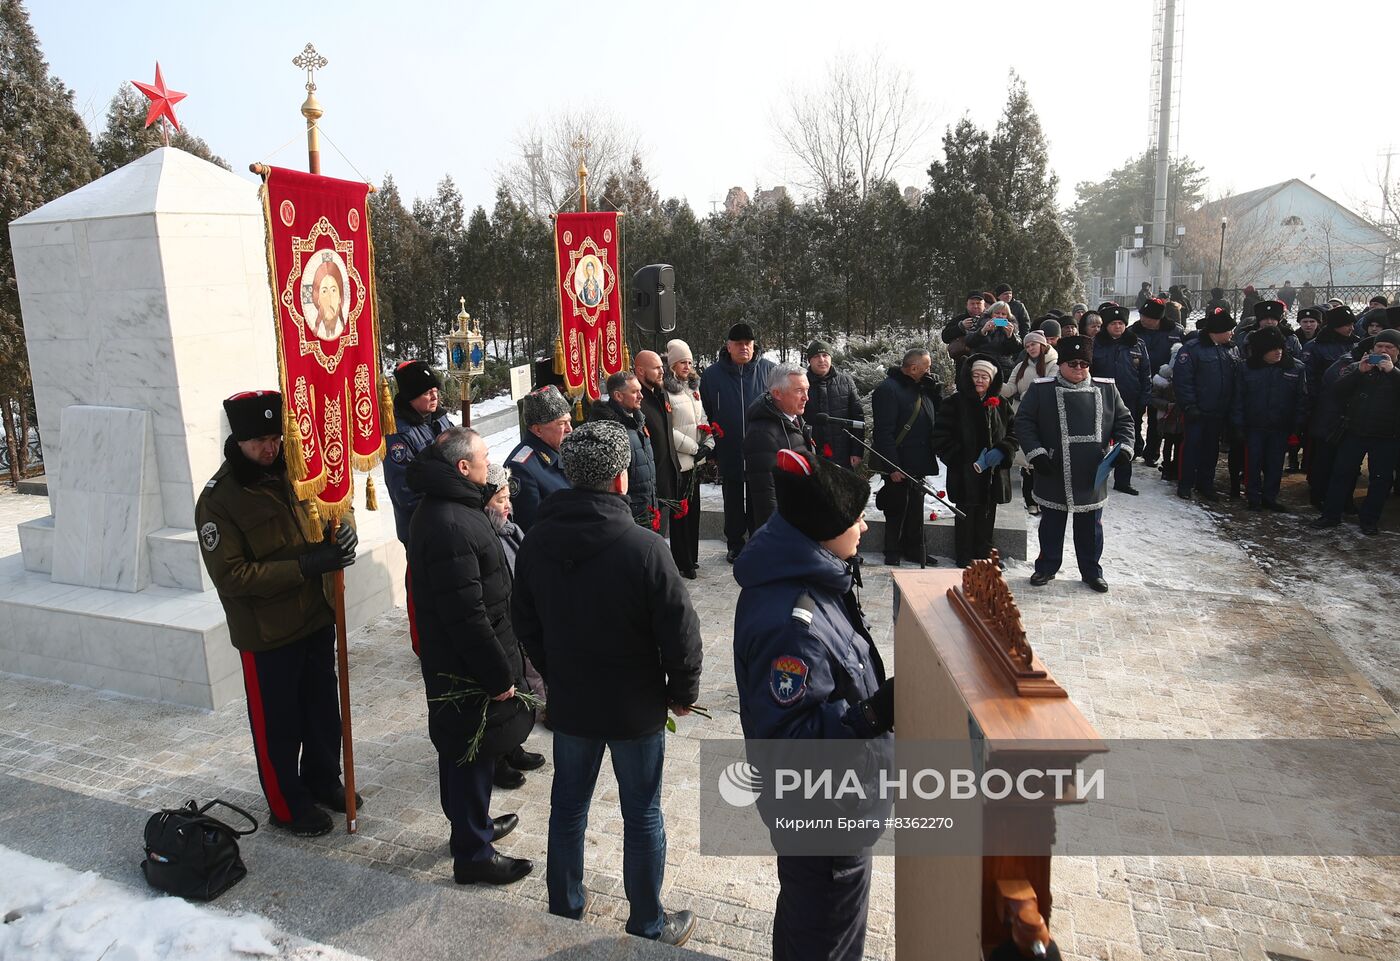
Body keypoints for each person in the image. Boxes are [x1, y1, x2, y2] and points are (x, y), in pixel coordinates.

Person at [512, 421, 704, 947]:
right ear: (620, 479)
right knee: (641, 813)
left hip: (574, 700)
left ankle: (564, 907)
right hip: (635, 705)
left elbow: (523, 621)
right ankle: (647, 922)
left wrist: (555, 672)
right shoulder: (644, 547)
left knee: (568, 806)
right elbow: (680, 632)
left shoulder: (536, 543)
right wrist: (682, 691)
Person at [731, 448, 893, 961]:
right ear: (823, 529)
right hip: (822, 811)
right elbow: (791, 744)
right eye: (855, 518)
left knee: (812, 920)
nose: (864, 528)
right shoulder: (791, 623)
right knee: (825, 937)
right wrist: (875, 714)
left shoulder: (814, 574)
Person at [196, 390, 357, 838]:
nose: (270, 449)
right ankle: (286, 804)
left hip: (314, 617)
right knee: (279, 726)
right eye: (259, 442)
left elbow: (327, 510)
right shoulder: (219, 500)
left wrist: (340, 539)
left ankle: (323, 779)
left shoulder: (295, 472)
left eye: (274, 437)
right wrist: (307, 565)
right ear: (239, 440)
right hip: (268, 634)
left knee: (323, 712)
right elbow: (233, 576)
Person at [405, 427, 533, 883]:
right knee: (469, 751)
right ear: (463, 467)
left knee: (467, 753)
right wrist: (498, 676)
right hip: (467, 668)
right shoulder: (450, 522)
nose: (487, 464)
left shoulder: (455, 507)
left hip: (469, 658)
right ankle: (473, 855)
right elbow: (467, 613)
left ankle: (470, 825)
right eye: (482, 458)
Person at [1016, 337, 1135, 592]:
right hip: (1053, 468)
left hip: (1092, 471)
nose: (1079, 369)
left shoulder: (1107, 389)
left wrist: (1124, 447)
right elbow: (1024, 422)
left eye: (1084, 364)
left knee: (1091, 528)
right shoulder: (1041, 389)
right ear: (1061, 365)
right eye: (1073, 363)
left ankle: (1092, 571)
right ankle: (1046, 567)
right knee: (1051, 525)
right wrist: (1036, 454)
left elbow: (1125, 422)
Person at [383, 360, 452, 656]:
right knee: (425, 588)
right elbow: (406, 490)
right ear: (409, 397)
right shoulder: (398, 434)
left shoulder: (440, 420)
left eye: (435, 389)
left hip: (451, 517)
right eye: (426, 392)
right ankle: (424, 644)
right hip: (421, 524)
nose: (433, 397)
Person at [1310, 330, 1400, 535]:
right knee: (1341, 473)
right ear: (1372, 348)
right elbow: (1336, 392)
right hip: (1355, 431)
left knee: (1380, 479)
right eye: (1380, 347)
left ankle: (1369, 520)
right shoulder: (1358, 367)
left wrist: (1392, 372)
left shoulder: (1396, 372)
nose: (1383, 351)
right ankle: (1331, 515)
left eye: (1389, 347)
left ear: (1397, 351)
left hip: (1388, 436)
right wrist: (1359, 372)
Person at [700, 322, 776, 562]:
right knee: (732, 499)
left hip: (760, 448)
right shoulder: (712, 375)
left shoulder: (769, 371)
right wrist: (712, 446)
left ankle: (757, 541)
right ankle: (735, 544)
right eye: (739, 344)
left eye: (748, 344)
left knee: (758, 498)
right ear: (729, 346)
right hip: (729, 447)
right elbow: (707, 410)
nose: (744, 348)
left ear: (754, 346)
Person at [931, 355, 1018, 567]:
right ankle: (964, 555)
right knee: (966, 515)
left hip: (993, 474)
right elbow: (940, 438)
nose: (979, 380)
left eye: (984, 377)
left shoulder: (1001, 404)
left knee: (988, 514)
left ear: (992, 380)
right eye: (975, 376)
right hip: (965, 473)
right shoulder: (954, 403)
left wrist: (1003, 450)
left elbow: (1015, 433)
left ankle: (985, 552)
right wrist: (964, 460)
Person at [871, 348, 943, 567]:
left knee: (915, 507)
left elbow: (936, 414)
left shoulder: (922, 387)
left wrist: (935, 391)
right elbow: (883, 432)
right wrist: (893, 466)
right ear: (913, 368)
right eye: (926, 367)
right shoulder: (889, 389)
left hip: (919, 459)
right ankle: (892, 549)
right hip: (898, 461)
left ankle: (914, 548)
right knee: (896, 507)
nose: (929, 371)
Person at [1232, 326, 1309, 512]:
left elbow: (1302, 399)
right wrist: (1237, 424)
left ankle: (1270, 497)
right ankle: (1253, 497)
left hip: (1280, 426)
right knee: (1253, 462)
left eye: (1280, 348)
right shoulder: (1246, 368)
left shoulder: (1295, 368)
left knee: (1275, 464)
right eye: (1273, 349)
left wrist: (1297, 426)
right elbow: (1238, 398)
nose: (1278, 352)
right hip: (1254, 425)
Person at [1173, 306, 1240, 502]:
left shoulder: (1232, 349)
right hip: (1197, 410)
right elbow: (1183, 380)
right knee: (1192, 447)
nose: (1231, 334)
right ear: (1217, 332)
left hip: (1219, 411)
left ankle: (1206, 484)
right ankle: (1185, 484)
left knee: (1211, 450)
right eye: (1229, 330)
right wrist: (1189, 405)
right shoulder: (1193, 349)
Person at [744, 363, 816, 529]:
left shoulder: (794, 419)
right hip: (785, 530)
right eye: (799, 391)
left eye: (807, 389)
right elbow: (766, 496)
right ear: (777, 393)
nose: (806, 397)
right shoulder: (762, 433)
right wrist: (778, 536)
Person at [663, 339, 712, 579]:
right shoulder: (667, 390)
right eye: (682, 361)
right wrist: (694, 447)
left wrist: (708, 442)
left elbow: (701, 416)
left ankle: (692, 556)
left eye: (689, 361)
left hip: (695, 459)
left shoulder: (693, 387)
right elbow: (669, 428)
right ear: (672, 364)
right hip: (680, 459)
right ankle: (681, 560)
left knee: (694, 510)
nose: (687, 366)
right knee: (680, 511)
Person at [1092, 305, 1151, 495]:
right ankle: (1094, 476)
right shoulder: (1095, 344)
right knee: (1097, 440)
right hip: (1100, 399)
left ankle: (1123, 480)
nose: (1118, 327)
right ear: (1106, 326)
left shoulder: (1137, 344)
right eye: (1113, 323)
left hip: (1129, 400)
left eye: (1121, 323)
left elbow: (1145, 373)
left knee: (1125, 440)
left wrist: (1144, 398)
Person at [589, 371, 658, 530]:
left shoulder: (638, 419)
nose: (641, 396)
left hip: (647, 508)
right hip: (627, 515)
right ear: (618, 396)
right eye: (635, 392)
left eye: (640, 390)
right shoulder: (607, 428)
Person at [1002, 331, 1057, 515]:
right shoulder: (1021, 366)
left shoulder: (1054, 364)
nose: (1030, 348)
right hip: (1023, 415)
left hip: (1044, 415)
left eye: (1033, 344)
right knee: (1027, 459)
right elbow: (1010, 388)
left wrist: (1028, 396)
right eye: (1027, 346)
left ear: (1042, 345)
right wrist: (994, 385)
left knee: (1040, 456)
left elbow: (1050, 386)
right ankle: (1030, 499)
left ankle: (1044, 497)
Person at [505, 386, 573, 533]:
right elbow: (531, 528)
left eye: (569, 421)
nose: (569, 429)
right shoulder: (521, 468)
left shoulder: (562, 448)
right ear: (538, 430)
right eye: (561, 423)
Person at [1127, 298, 1183, 468]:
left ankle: (1152, 452)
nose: (1143, 320)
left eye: (1148, 317)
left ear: (1158, 319)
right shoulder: (1132, 331)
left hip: (1162, 384)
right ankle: (1134, 447)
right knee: (1134, 417)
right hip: (1137, 380)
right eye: (1142, 316)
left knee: (1156, 419)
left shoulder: (1174, 331)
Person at [634, 350, 681, 537]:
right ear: (640, 371)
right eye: (656, 368)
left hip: (666, 480)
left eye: (662, 366)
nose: (662, 371)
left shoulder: (662, 394)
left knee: (661, 535)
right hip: (648, 485)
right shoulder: (637, 401)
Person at [806, 340, 865, 469]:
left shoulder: (846, 381)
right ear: (809, 360)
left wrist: (857, 451)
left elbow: (858, 416)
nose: (821, 360)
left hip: (843, 453)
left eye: (825, 355)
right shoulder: (802, 383)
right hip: (812, 454)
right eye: (816, 356)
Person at [1149, 342, 1186, 480]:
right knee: (1168, 443)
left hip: (1181, 418)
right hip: (1167, 417)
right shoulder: (1164, 377)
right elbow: (1153, 397)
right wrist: (1166, 405)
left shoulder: (1187, 376)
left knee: (1179, 444)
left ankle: (1176, 466)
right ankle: (1166, 466)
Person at [964, 302, 1024, 378]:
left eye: (1003, 314)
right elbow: (968, 341)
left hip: (1003, 365)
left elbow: (1017, 349)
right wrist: (982, 331)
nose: (1000, 316)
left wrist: (1010, 336)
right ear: (991, 314)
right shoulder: (981, 322)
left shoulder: (1012, 327)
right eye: (997, 313)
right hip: (982, 360)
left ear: (1007, 317)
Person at [941, 290, 990, 367]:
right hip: (964, 363)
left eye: (978, 303)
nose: (975, 306)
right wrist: (960, 327)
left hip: (988, 362)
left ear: (984, 305)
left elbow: (1008, 324)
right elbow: (945, 337)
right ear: (966, 305)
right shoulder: (959, 319)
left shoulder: (991, 318)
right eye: (972, 303)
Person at [309, 258, 346, 341]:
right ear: (319, 300)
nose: (329, 297)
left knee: (332, 331)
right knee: (328, 332)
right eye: (324, 291)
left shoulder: (338, 308)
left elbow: (341, 317)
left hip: (334, 326)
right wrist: (316, 328)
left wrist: (343, 324)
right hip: (325, 328)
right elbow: (318, 321)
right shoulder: (322, 310)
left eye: (333, 290)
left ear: (340, 298)